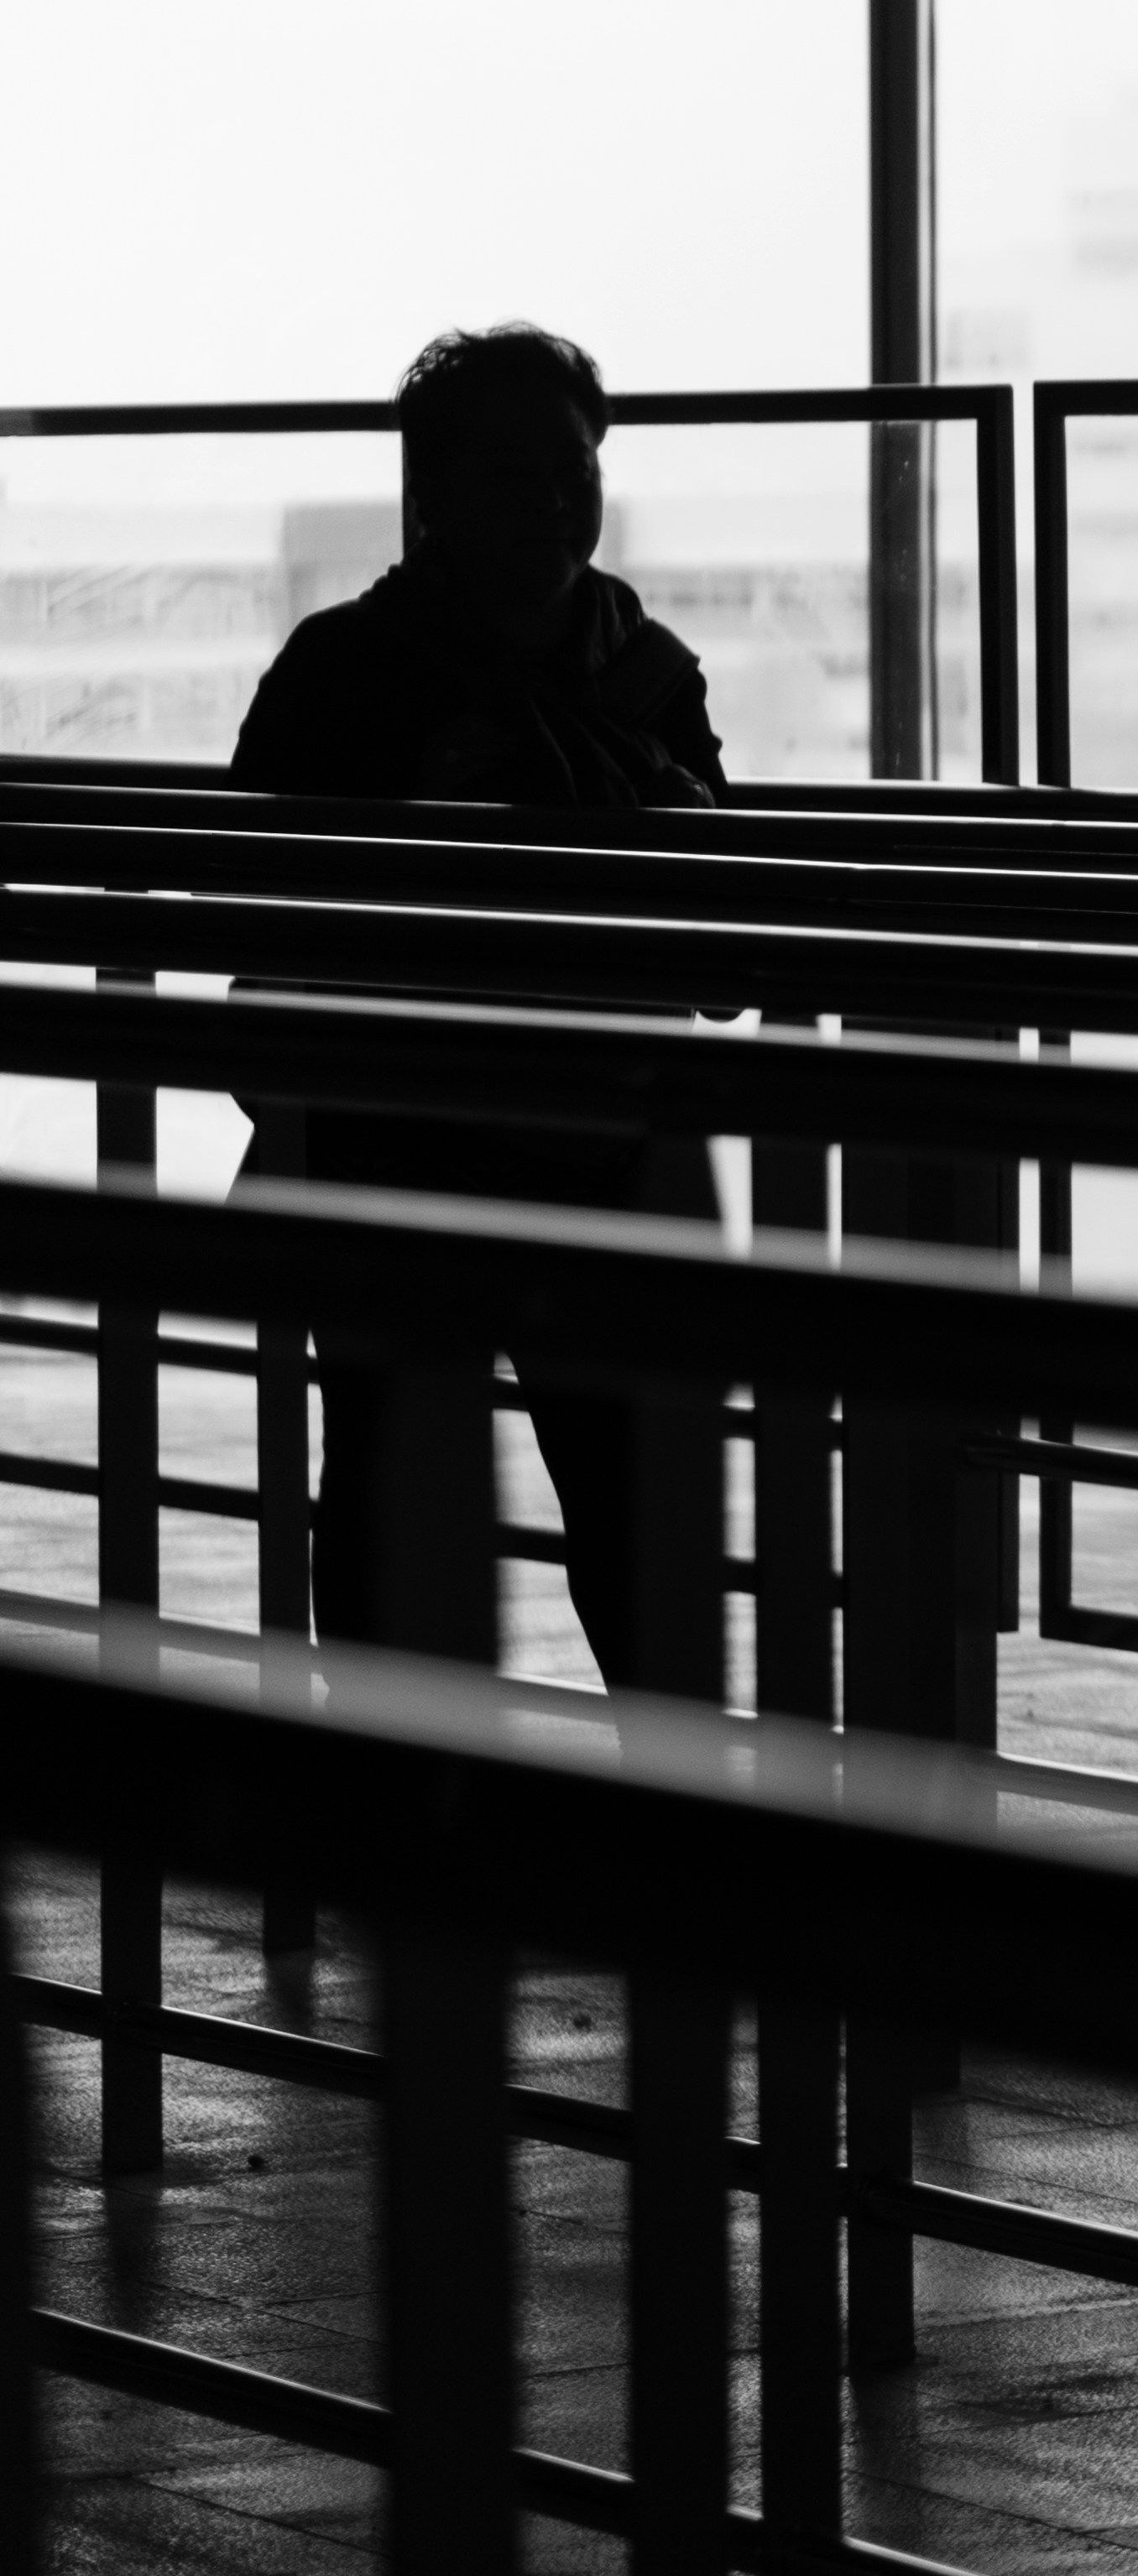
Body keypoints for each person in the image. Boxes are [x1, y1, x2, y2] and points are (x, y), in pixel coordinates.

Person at [233, 322, 726, 1687]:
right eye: (520, 468)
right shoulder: (639, 680)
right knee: (604, 1504)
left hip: (441, 1144)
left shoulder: (352, 671)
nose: (558, 496)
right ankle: (648, 1810)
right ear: (434, 490)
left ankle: (415, 1827)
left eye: (572, 465)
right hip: (542, 1139)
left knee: (468, 1498)